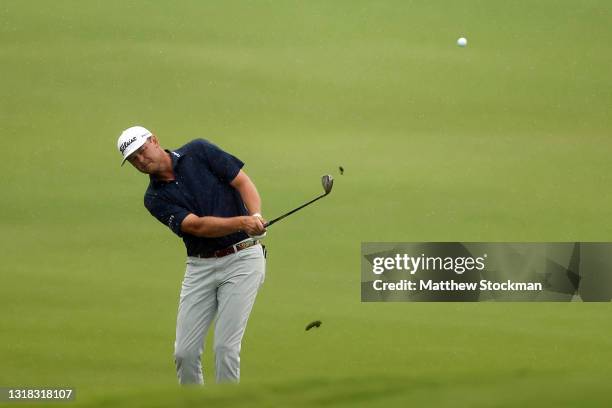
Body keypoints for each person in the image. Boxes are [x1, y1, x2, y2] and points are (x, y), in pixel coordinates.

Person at [117, 125, 267, 385]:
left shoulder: (199, 151)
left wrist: (255, 216)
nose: (141, 161)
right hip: (200, 268)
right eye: (133, 160)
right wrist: (243, 222)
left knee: (225, 348)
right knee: (184, 353)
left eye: (142, 151)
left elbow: (241, 180)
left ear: (154, 140)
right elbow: (196, 226)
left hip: (243, 259)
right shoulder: (154, 198)